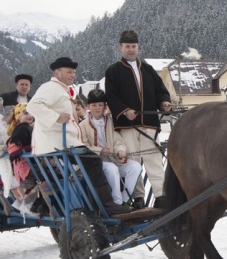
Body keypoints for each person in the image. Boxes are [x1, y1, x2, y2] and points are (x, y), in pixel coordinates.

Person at [26, 56, 132, 215]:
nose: (73, 75)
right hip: (57, 143)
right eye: (69, 72)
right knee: (93, 161)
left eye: (74, 72)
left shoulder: (63, 90)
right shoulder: (50, 87)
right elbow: (33, 106)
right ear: (57, 73)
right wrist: (56, 117)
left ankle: (100, 204)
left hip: (66, 142)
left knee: (91, 162)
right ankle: (105, 205)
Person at [104, 30, 172, 209]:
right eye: (127, 46)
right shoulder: (113, 71)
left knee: (154, 160)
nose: (131, 50)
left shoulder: (148, 70)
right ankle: (138, 196)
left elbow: (161, 90)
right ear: (120, 48)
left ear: (138, 47)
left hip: (149, 123)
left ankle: (160, 195)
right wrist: (125, 111)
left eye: (134, 46)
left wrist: (164, 102)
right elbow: (111, 96)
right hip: (127, 125)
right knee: (133, 162)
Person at [79, 89, 143, 206]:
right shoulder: (82, 126)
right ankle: (117, 202)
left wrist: (120, 150)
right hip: (96, 164)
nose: (97, 108)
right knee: (112, 169)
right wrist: (99, 151)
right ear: (88, 106)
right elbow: (84, 146)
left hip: (114, 159)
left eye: (100, 105)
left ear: (105, 106)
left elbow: (118, 140)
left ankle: (125, 200)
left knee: (135, 167)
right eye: (94, 105)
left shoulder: (111, 122)